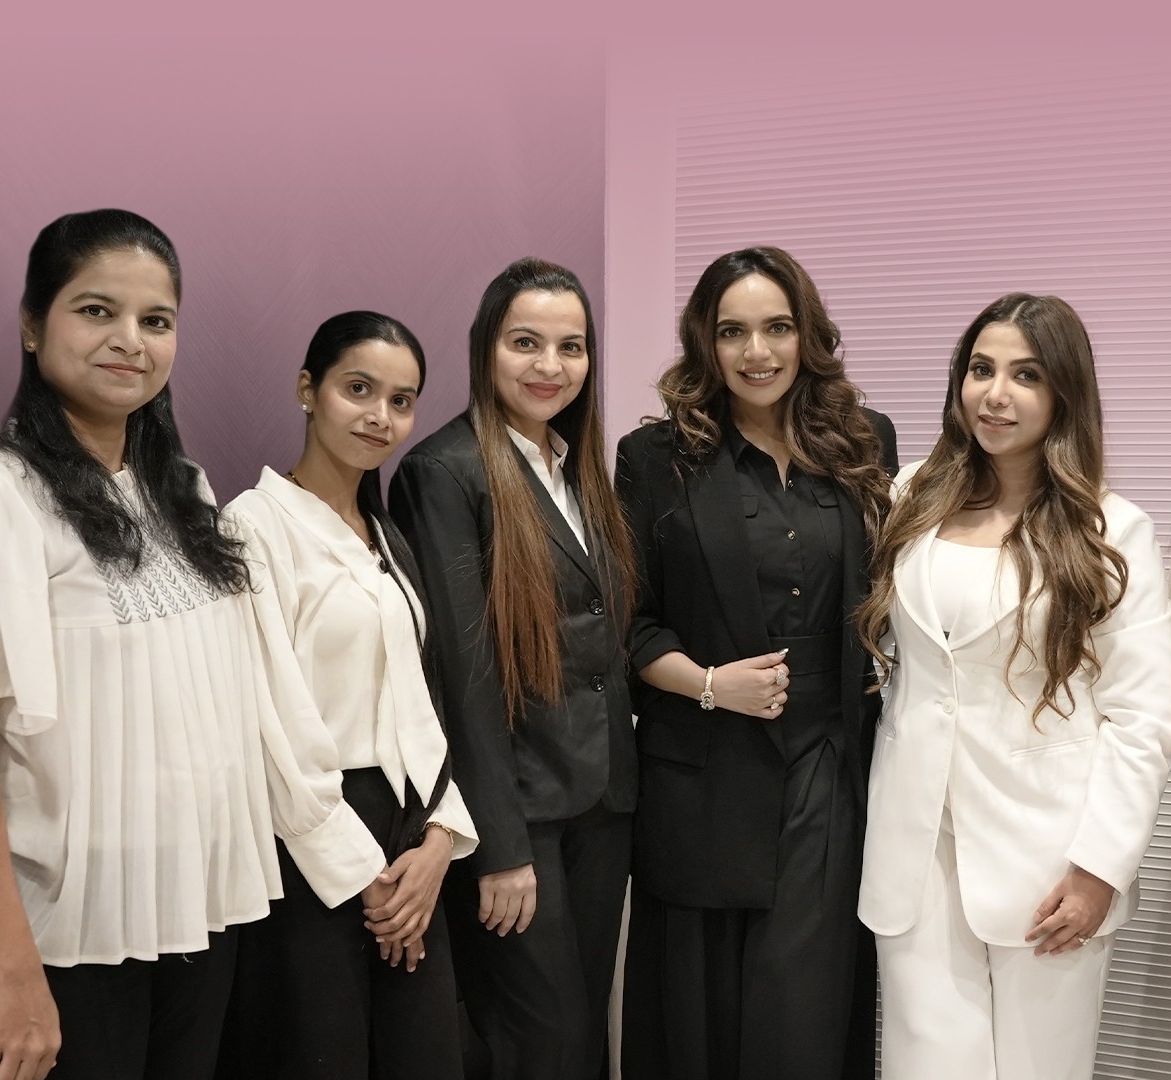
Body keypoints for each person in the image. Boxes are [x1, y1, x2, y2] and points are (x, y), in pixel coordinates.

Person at [0, 209, 285, 1080]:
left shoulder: (184, 495)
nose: (129, 341)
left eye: (154, 321)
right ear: (32, 322)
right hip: (63, 938)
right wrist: (13, 976)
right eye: (95, 311)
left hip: (197, 917)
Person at [854, 292, 1171, 1080]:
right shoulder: (910, 502)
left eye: (1026, 375)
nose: (996, 394)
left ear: (1064, 393)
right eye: (981, 370)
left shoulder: (1111, 530)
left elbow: (1140, 719)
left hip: (1049, 859)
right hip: (915, 847)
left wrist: (1102, 868)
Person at [615, 246, 896, 1080]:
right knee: (702, 1021)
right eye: (732, 331)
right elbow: (629, 625)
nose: (757, 352)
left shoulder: (863, 442)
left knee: (802, 1005)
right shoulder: (656, 457)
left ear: (807, 334)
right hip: (704, 767)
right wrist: (709, 685)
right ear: (705, 341)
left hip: (827, 758)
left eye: (777, 328)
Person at [389, 259, 637, 1079]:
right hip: (519, 815)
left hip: (599, 808)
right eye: (525, 342)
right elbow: (460, 675)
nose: (549, 365)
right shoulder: (446, 471)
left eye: (571, 347)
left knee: (580, 1035)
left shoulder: (576, 470)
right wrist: (497, 846)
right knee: (540, 1043)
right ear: (485, 349)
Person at [219, 311, 479, 1079]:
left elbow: (417, 701)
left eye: (402, 400)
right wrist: (362, 875)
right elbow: (272, 719)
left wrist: (438, 842)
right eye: (358, 389)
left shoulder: (386, 535)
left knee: (424, 1054)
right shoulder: (252, 525)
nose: (380, 416)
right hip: (312, 843)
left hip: (409, 829)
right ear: (309, 389)